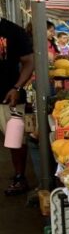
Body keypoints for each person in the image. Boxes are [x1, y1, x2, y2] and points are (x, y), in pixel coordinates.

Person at [0, 17, 34, 195]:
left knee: (15, 140)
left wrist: (17, 87)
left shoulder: (13, 31)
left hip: (8, 96)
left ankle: (20, 177)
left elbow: (29, 62)